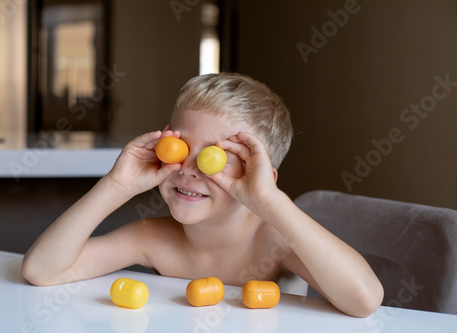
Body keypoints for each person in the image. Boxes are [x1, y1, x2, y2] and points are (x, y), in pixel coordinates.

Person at [22, 73, 383, 317]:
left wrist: (269, 200)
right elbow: (42, 270)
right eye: (179, 149)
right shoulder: (153, 237)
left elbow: (364, 301)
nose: (188, 169)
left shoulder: (275, 242)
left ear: (259, 177)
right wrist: (115, 185)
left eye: (215, 159)